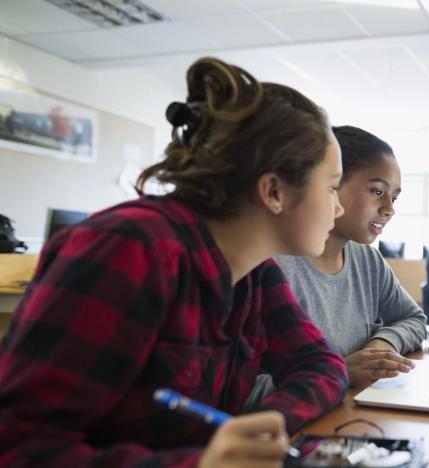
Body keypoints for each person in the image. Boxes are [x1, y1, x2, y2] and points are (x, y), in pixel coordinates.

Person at [0, 57, 348, 468]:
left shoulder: (255, 271)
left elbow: (321, 364)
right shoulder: (129, 249)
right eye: (331, 187)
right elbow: (17, 446)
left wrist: (252, 433)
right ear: (274, 191)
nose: (338, 209)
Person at [277, 126, 426, 389]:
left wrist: (382, 345)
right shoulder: (276, 268)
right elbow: (242, 389)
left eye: (394, 197)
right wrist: (338, 375)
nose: (389, 209)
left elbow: (413, 319)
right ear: (331, 185)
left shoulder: (367, 259)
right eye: (377, 192)